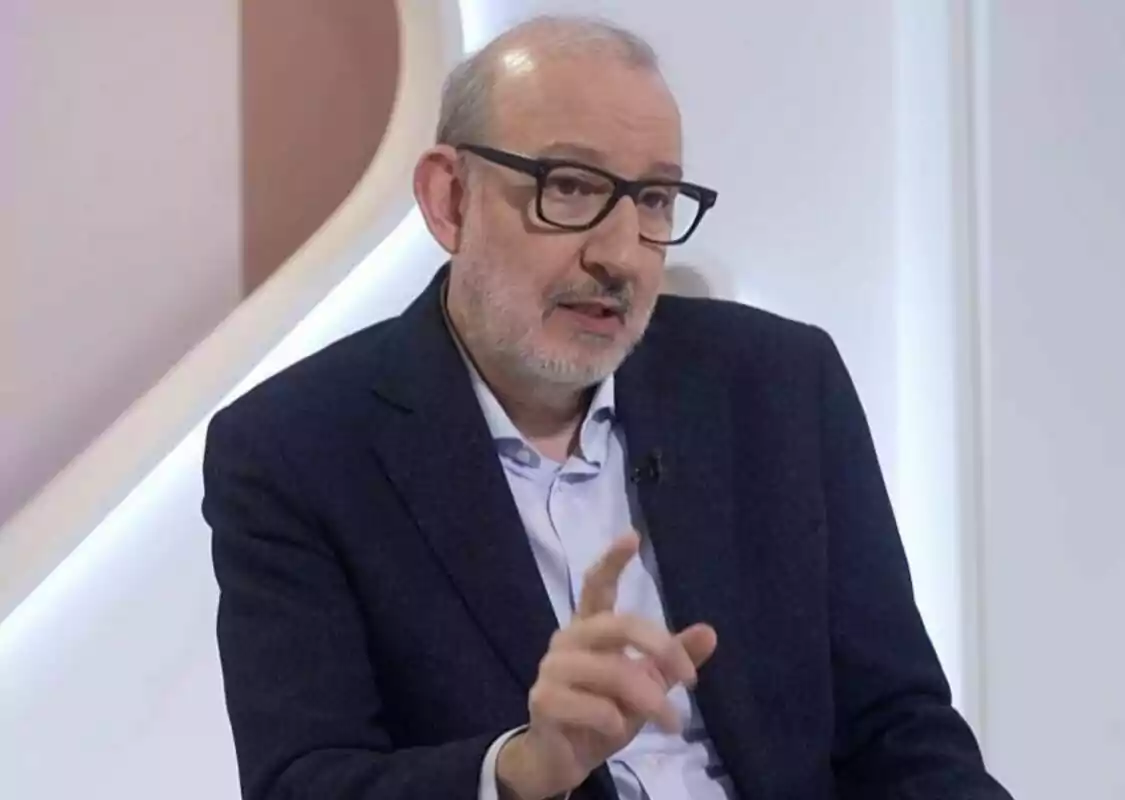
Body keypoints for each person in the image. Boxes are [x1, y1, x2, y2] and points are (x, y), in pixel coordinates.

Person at [203, 15, 1012, 800]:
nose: (620, 254)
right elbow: (302, 784)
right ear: (450, 199)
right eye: (574, 187)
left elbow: (901, 730)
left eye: (655, 199)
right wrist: (521, 771)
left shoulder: (781, 386)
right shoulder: (296, 450)